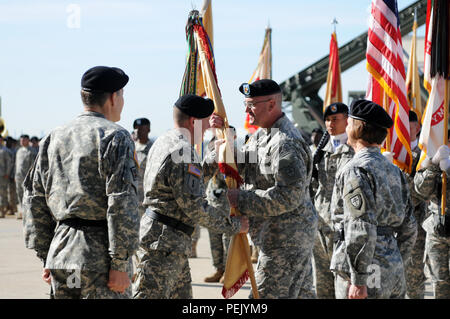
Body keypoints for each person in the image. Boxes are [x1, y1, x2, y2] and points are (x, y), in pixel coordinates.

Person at [22, 66, 140, 299]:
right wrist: (119, 262)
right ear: (114, 97)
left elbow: (33, 198)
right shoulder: (115, 136)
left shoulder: (53, 137)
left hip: (62, 253)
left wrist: (46, 254)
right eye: (123, 95)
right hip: (99, 261)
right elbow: (121, 202)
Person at [209, 79, 318, 299]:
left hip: (285, 242)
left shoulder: (286, 143)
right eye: (245, 104)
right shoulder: (261, 136)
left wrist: (239, 198)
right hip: (274, 238)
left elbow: (288, 197)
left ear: (271, 105)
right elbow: (241, 162)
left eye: (252, 104)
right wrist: (223, 137)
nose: (247, 110)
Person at [132, 94, 248, 299]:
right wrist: (235, 225)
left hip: (170, 243)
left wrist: (214, 156)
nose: (207, 130)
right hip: (164, 245)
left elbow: (187, 184)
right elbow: (196, 207)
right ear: (194, 121)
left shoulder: (165, 141)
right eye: (205, 124)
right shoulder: (183, 150)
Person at [330, 99, 417, 299]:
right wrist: (395, 261)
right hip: (391, 268)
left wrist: (359, 279)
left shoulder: (356, 169)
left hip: (366, 275)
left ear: (357, 128)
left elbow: (360, 225)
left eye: (350, 121)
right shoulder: (395, 171)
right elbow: (410, 226)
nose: (346, 125)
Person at [312, 102, 354, 299]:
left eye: (335, 119)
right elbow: (314, 186)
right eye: (327, 119)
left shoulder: (355, 150)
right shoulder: (320, 151)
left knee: (343, 285)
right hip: (321, 224)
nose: (330, 123)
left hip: (344, 229)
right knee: (321, 284)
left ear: (348, 120)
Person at [414, 138, 450, 299]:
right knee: (438, 281)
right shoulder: (433, 157)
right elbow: (421, 191)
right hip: (437, 229)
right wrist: (433, 165)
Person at [203, 125, 236, 283]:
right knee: (214, 238)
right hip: (212, 202)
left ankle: (228, 270)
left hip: (227, 205)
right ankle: (218, 268)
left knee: (227, 239)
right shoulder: (212, 149)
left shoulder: (235, 155)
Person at [403, 110, 428, 299]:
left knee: (413, 278)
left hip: (416, 225)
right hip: (391, 226)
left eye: (406, 124)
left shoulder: (424, 154)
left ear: (417, 128)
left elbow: (418, 193)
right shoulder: (393, 151)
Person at [133, 117, 153, 217]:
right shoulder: (131, 147)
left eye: (141, 128)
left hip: (147, 198)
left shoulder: (153, 149)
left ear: (148, 129)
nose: (137, 131)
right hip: (133, 196)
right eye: (136, 128)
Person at [15, 134, 36, 219]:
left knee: (27, 195)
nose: (22, 141)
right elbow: (17, 164)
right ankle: (21, 211)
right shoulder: (19, 151)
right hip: (19, 176)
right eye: (21, 140)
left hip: (27, 178)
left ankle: (27, 212)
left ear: (28, 140)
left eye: (24, 140)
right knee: (19, 194)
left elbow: (34, 165)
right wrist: (15, 176)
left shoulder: (32, 151)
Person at [0, 136, 13, 218]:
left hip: (3, 175)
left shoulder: (4, 150)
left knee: (3, 193)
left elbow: (9, 163)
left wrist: (7, 173)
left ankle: (2, 211)